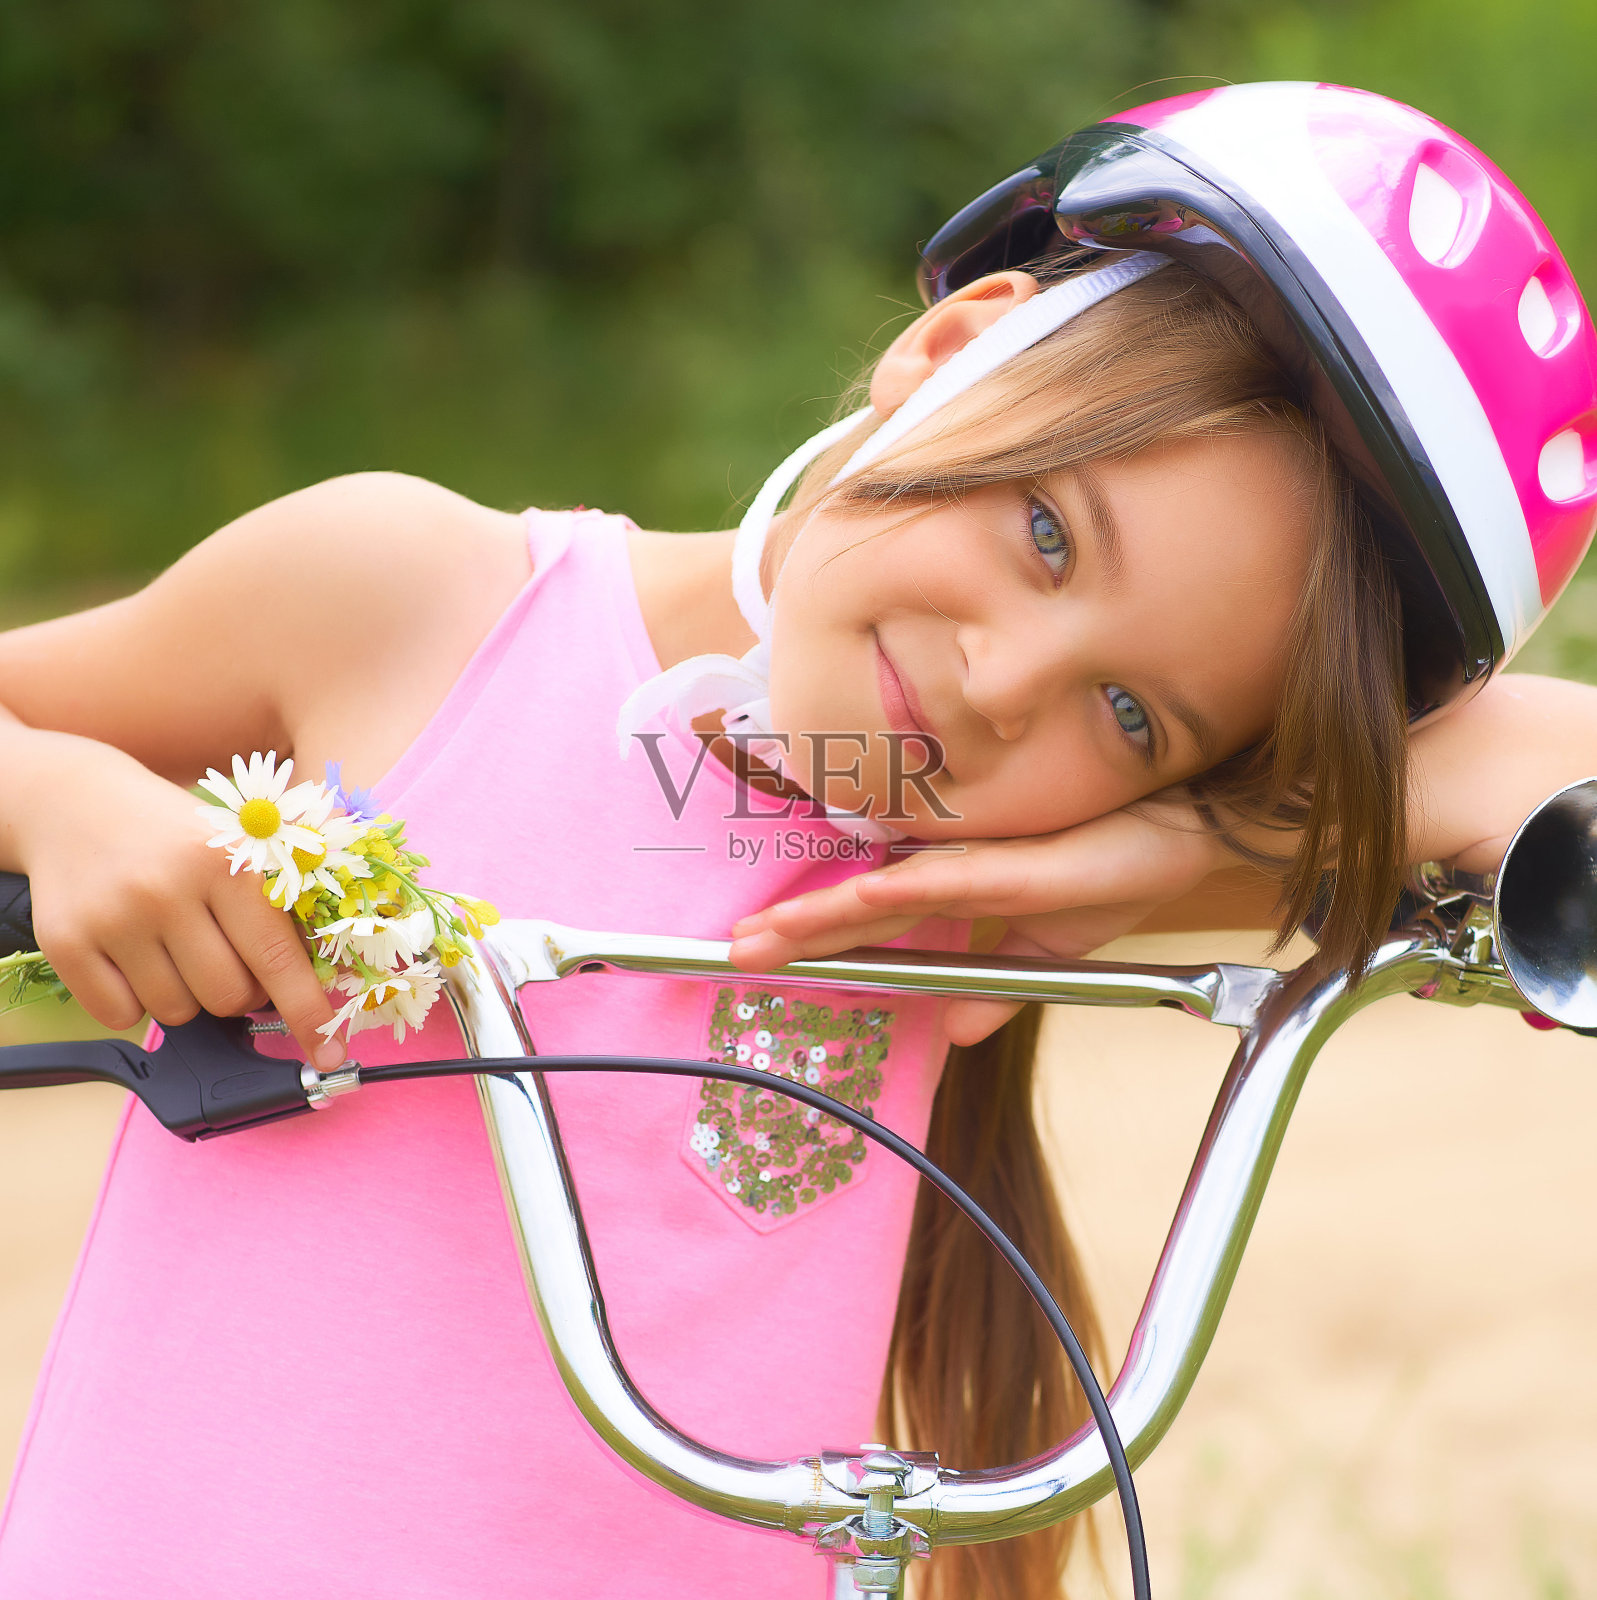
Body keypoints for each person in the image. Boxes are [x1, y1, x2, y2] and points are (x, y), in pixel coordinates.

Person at [0, 81, 1594, 1599]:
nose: (997, 687)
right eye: (1045, 533)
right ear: (959, 344)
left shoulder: (993, 890)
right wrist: (60, 799)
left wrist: (1194, 849)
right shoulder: (411, 604)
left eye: (1130, 713)